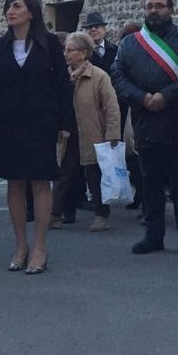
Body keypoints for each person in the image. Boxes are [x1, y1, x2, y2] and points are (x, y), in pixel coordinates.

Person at [112, 0, 178, 258]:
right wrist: (142, 98)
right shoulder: (131, 43)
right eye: (149, 6)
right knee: (149, 184)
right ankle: (153, 236)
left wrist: (166, 96)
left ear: (171, 9)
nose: (154, 10)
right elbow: (117, 75)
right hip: (145, 122)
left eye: (160, 6)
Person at [0, 0, 73, 274]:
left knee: (39, 182)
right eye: (8, 7)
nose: (10, 11)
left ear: (31, 12)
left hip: (41, 122)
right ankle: (20, 245)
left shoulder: (48, 44)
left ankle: (39, 246)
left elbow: (63, 86)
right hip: (10, 123)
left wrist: (65, 124)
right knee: (14, 183)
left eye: (16, 6)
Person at [63, 31, 122, 233]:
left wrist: (113, 133)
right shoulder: (63, 76)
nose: (66, 54)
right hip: (68, 131)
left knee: (95, 175)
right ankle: (60, 211)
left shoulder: (99, 76)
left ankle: (101, 214)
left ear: (84, 52)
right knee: (66, 173)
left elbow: (111, 107)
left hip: (92, 131)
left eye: (70, 50)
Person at [83, 11, 119, 78]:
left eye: (97, 27)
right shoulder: (82, 52)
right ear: (86, 31)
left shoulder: (116, 50)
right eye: (90, 27)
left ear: (104, 30)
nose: (93, 29)